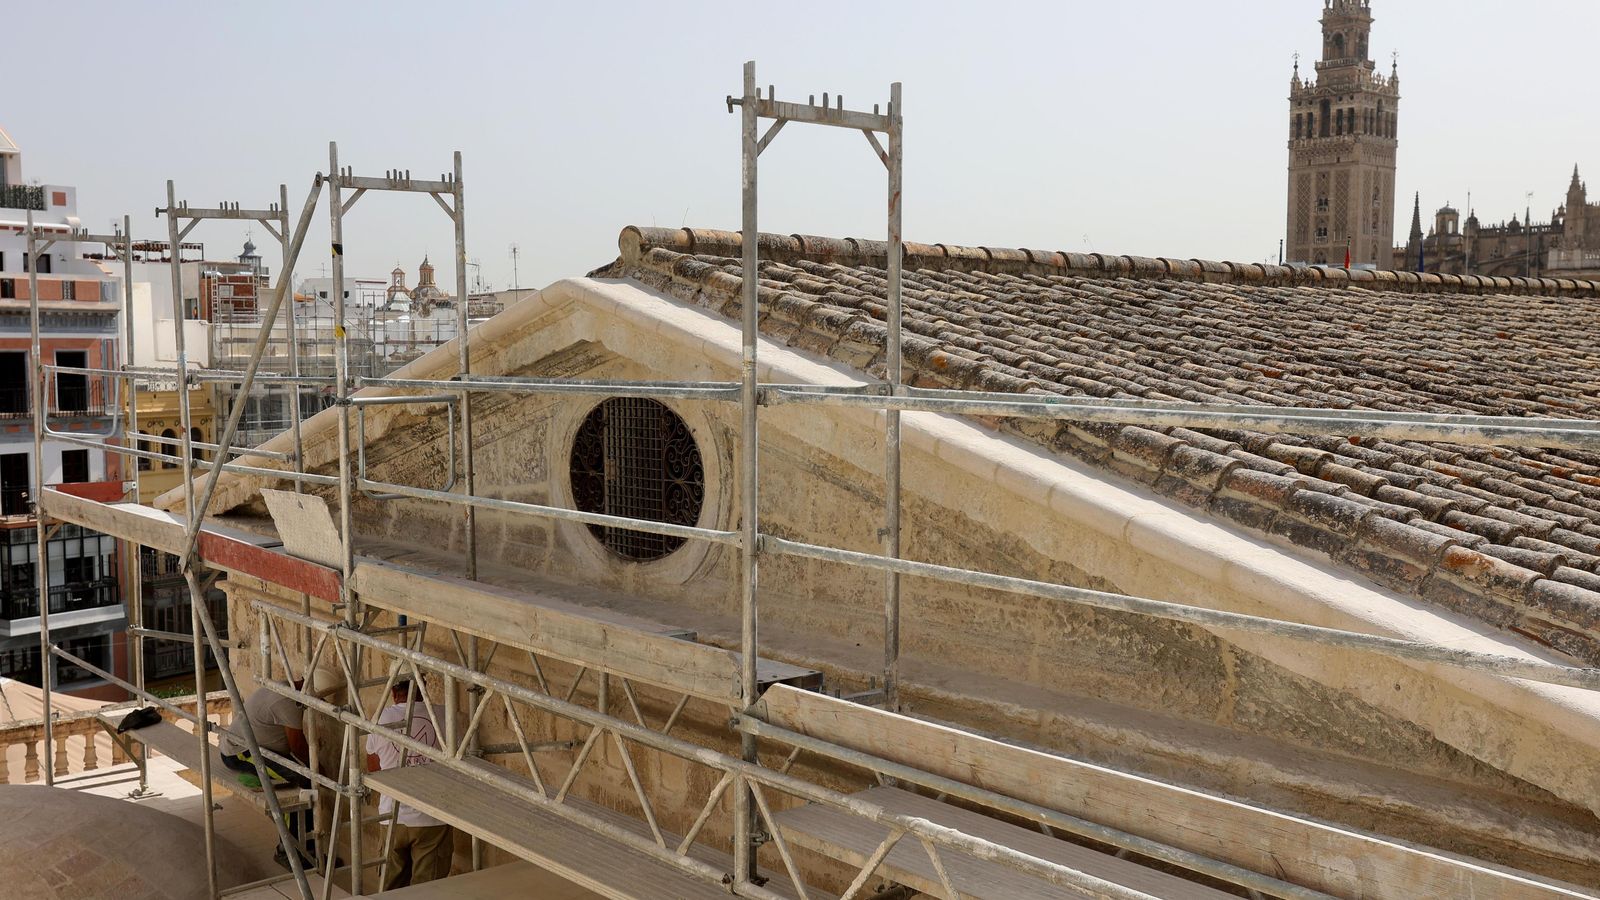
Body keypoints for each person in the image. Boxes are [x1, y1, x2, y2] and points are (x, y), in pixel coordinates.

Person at [366, 679, 454, 889]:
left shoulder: (381, 717)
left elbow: (373, 768)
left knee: (390, 889)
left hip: (393, 815)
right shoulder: (444, 716)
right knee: (427, 890)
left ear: (394, 692)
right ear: (424, 688)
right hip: (432, 817)